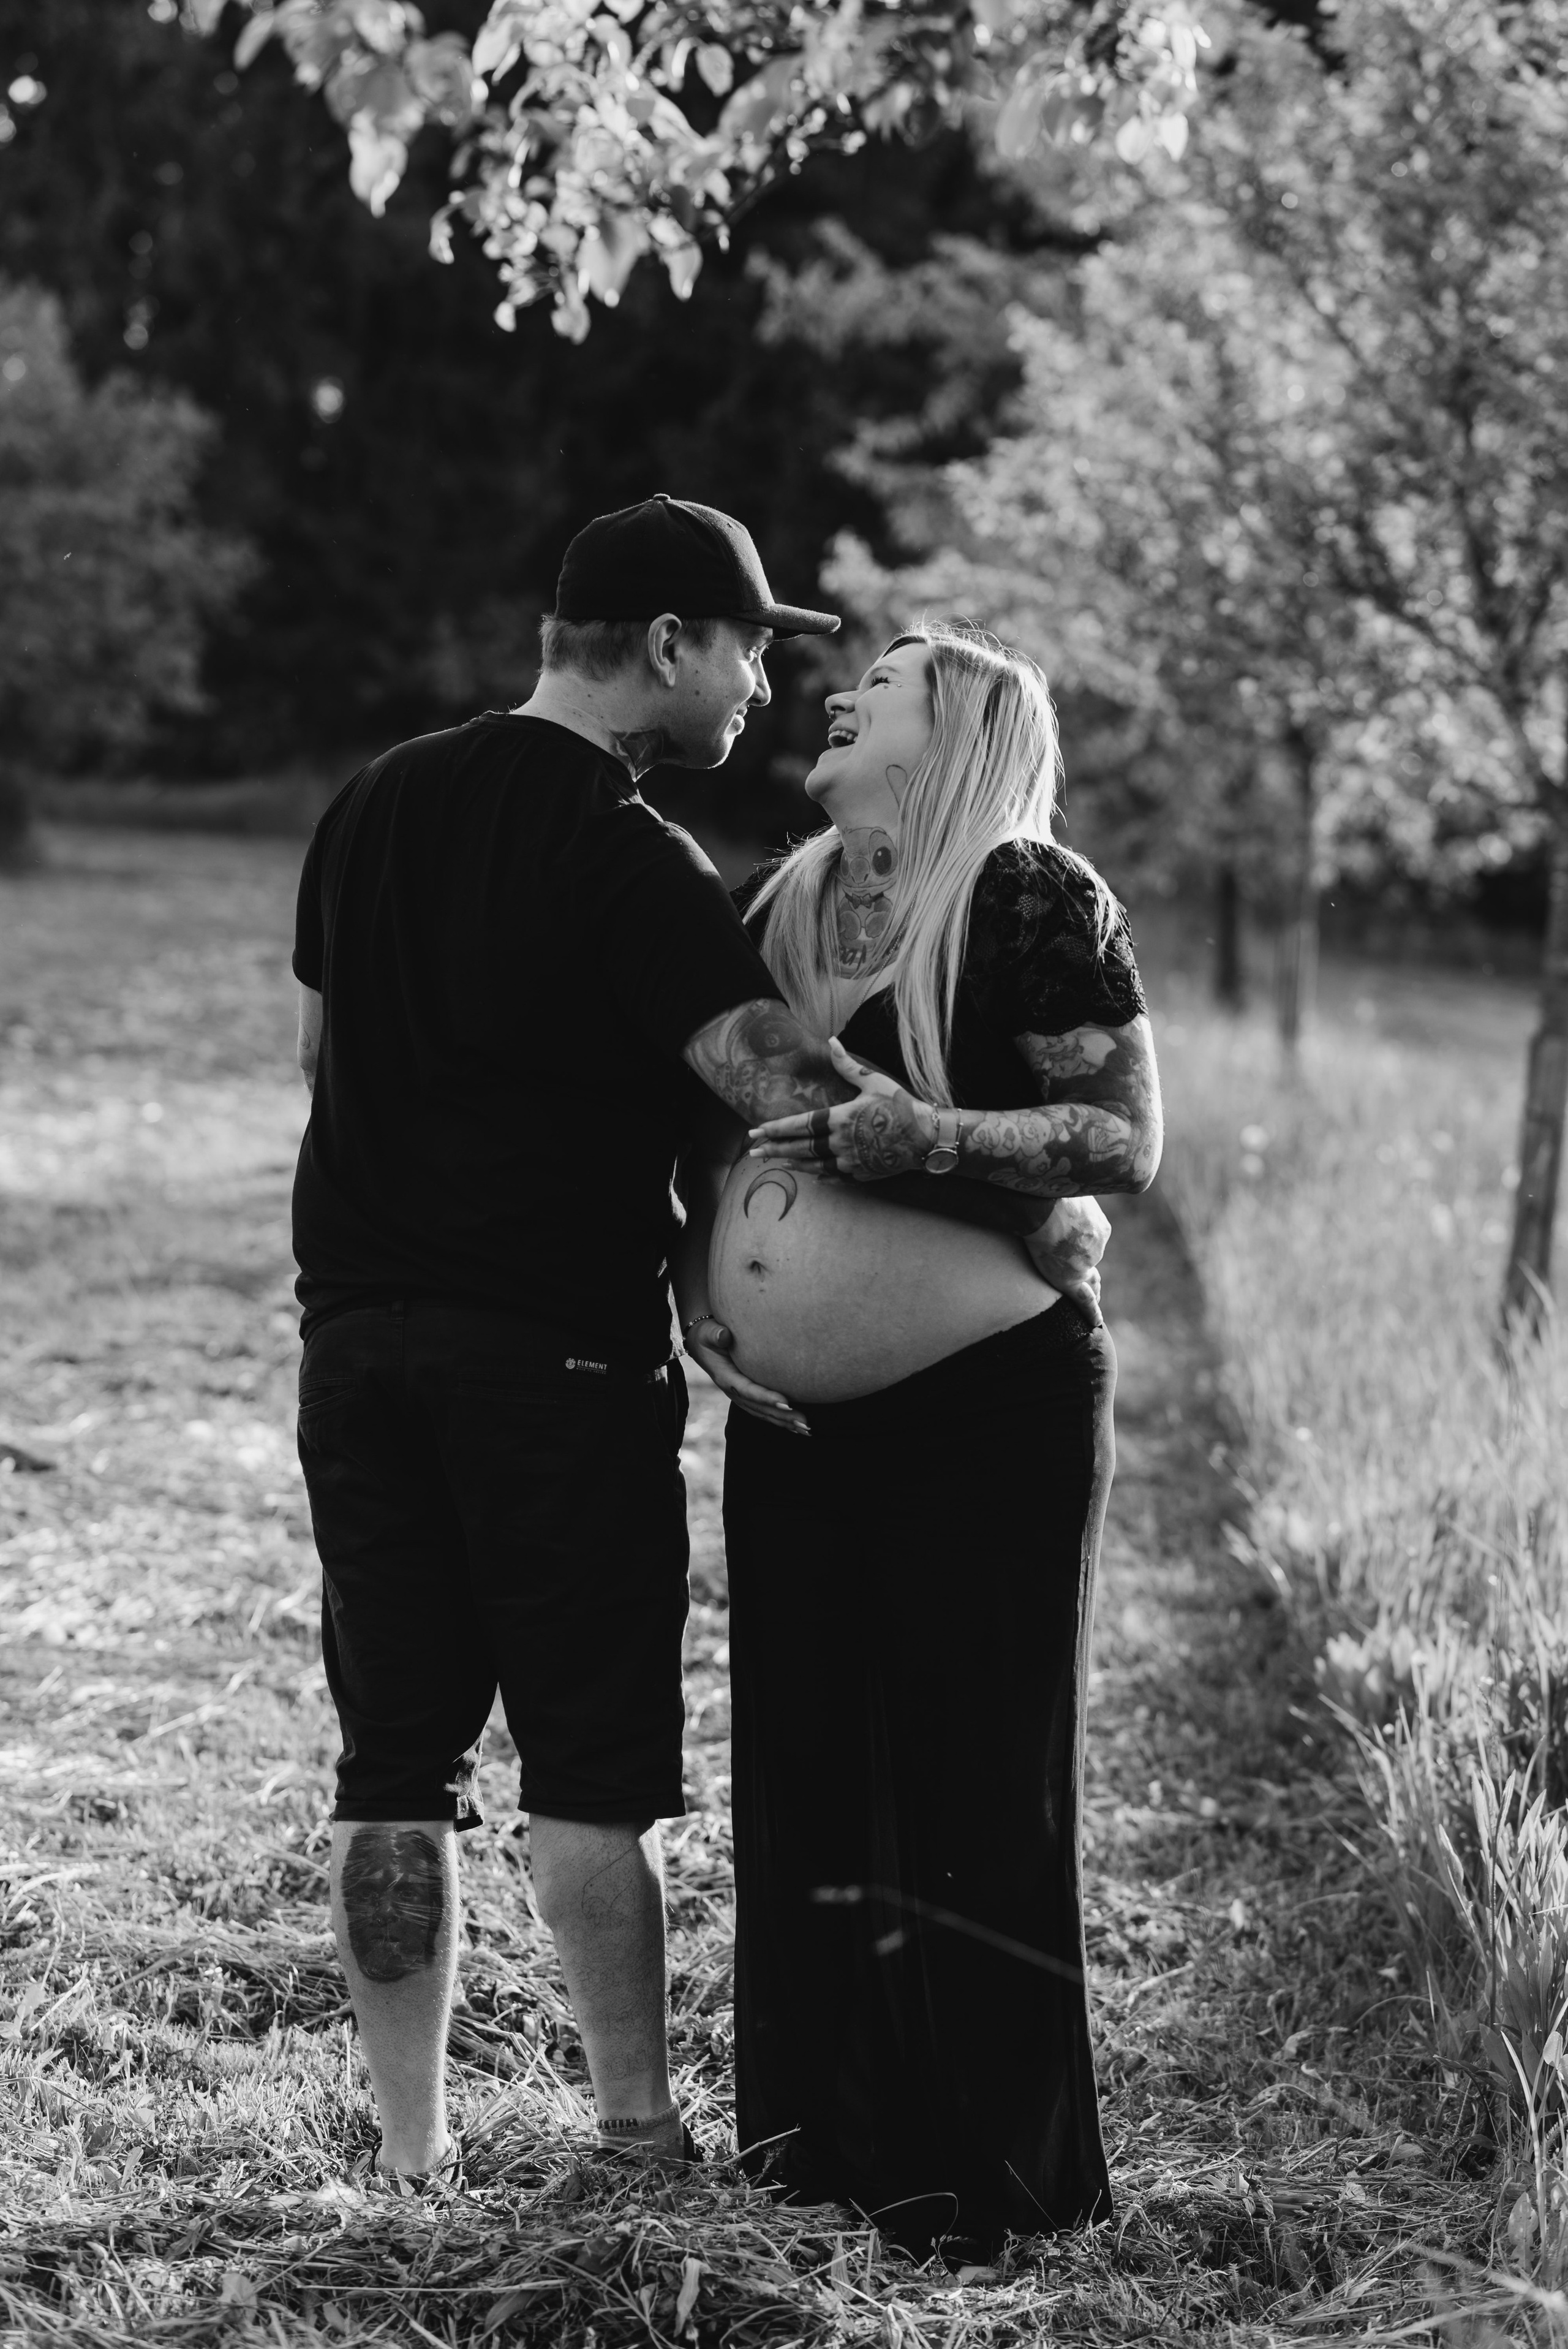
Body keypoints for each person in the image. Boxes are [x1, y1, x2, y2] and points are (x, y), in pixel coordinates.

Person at [288, 493, 868, 2182]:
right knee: (592, 1770)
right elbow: (776, 1087)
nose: (762, 681)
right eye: (752, 645)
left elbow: (322, 1061)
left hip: (359, 1348)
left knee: (393, 1763)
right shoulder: (627, 854)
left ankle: (408, 2164)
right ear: (670, 645)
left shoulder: (371, 800)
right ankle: (636, 2132)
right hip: (556, 1363)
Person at [672, 622, 1162, 2256]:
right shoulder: (777, 900)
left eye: (879, 683)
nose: (839, 693)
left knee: (975, 1779)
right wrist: (699, 1294)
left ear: (954, 724)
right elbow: (681, 1125)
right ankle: (820, 2167)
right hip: (797, 1419)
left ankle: (1001, 2193)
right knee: (806, 1770)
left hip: (992, 1408)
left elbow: (1122, 1137)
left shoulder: (1031, 896)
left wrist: (929, 1132)